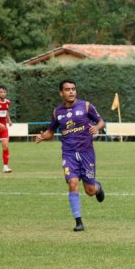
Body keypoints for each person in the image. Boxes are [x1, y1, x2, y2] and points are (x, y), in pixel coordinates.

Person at [35, 80, 106, 232]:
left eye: (73, 89)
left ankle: (98, 188)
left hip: (86, 152)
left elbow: (101, 121)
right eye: (67, 89)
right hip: (69, 154)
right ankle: (78, 222)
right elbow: (50, 131)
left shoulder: (86, 106)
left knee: (89, 191)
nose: (71, 92)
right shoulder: (57, 112)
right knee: (72, 183)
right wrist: (42, 136)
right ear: (61, 93)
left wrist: (97, 127)